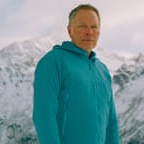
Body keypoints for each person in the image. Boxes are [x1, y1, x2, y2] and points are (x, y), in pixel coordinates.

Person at [32, 4, 120, 144]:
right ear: (69, 30)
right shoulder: (53, 62)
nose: (89, 32)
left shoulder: (102, 71)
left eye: (94, 27)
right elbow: (44, 115)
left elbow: (111, 122)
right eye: (82, 26)